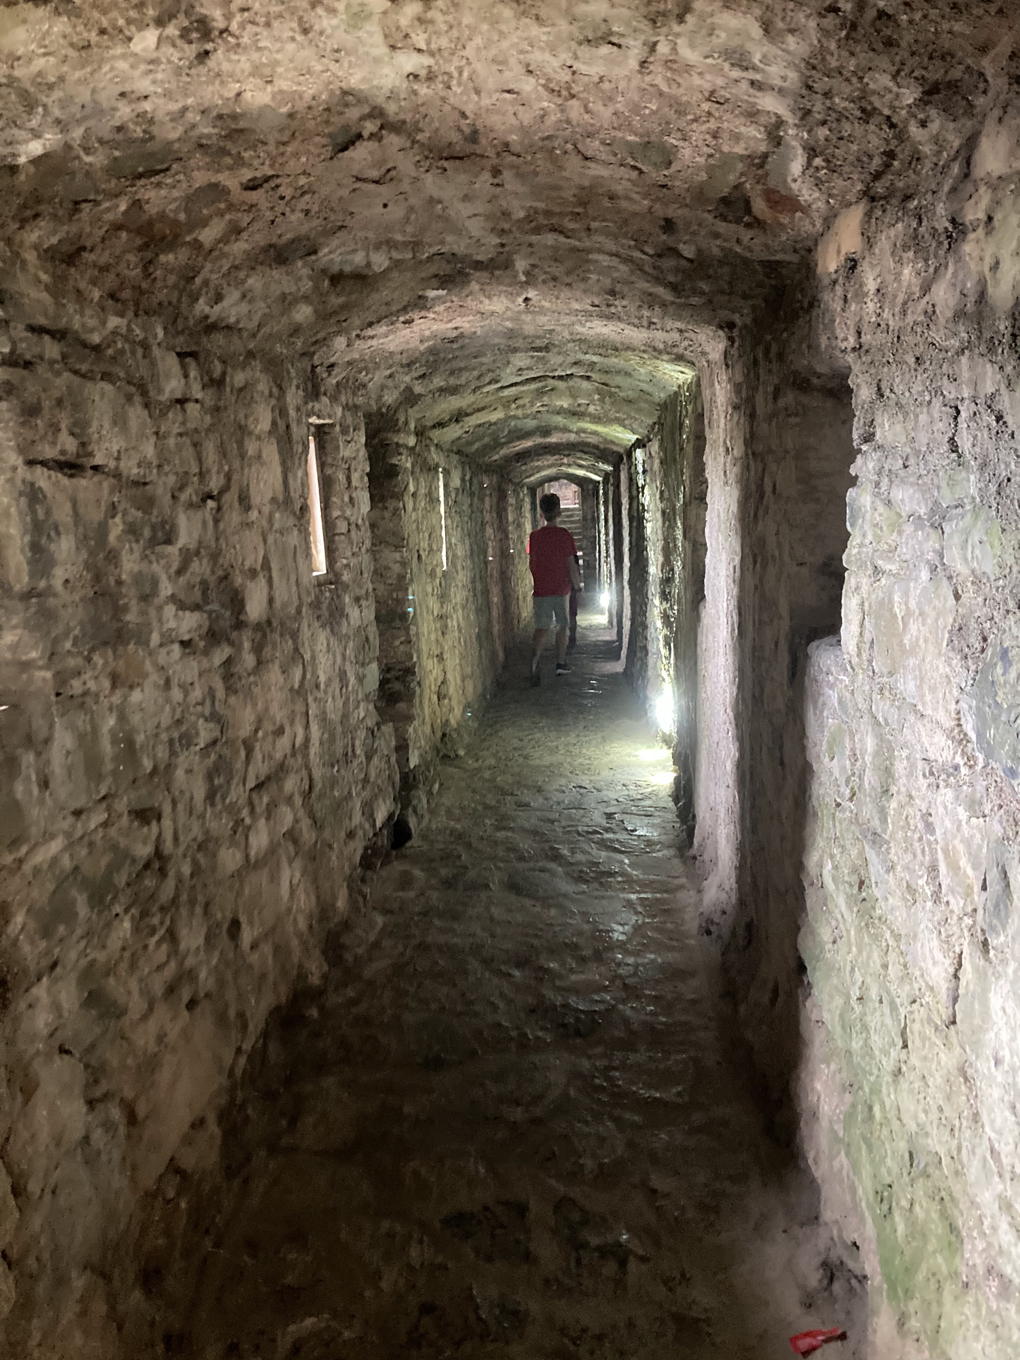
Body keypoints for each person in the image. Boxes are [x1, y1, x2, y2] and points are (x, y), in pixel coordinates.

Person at [527, 492, 581, 685]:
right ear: (558, 511)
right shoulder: (565, 536)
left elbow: (532, 562)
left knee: (541, 627)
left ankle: (535, 660)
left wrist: (538, 579)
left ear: (541, 513)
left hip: (541, 589)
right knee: (562, 625)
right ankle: (560, 662)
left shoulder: (534, 537)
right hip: (561, 588)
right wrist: (576, 584)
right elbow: (571, 564)